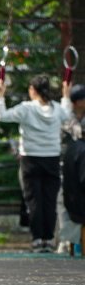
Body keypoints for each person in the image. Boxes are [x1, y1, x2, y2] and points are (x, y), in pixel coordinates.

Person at [0, 75, 72, 253]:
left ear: (33, 90)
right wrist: (66, 95)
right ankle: (49, 239)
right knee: (49, 201)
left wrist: (0, 94)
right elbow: (67, 115)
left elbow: (1, 116)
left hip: (30, 159)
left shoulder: (26, 109)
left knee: (33, 200)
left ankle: (38, 239)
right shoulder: (57, 109)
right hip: (52, 158)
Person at [59, 84, 85, 254]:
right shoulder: (65, 116)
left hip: (82, 165)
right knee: (63, 204)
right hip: (65, 165)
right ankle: (65, 240)